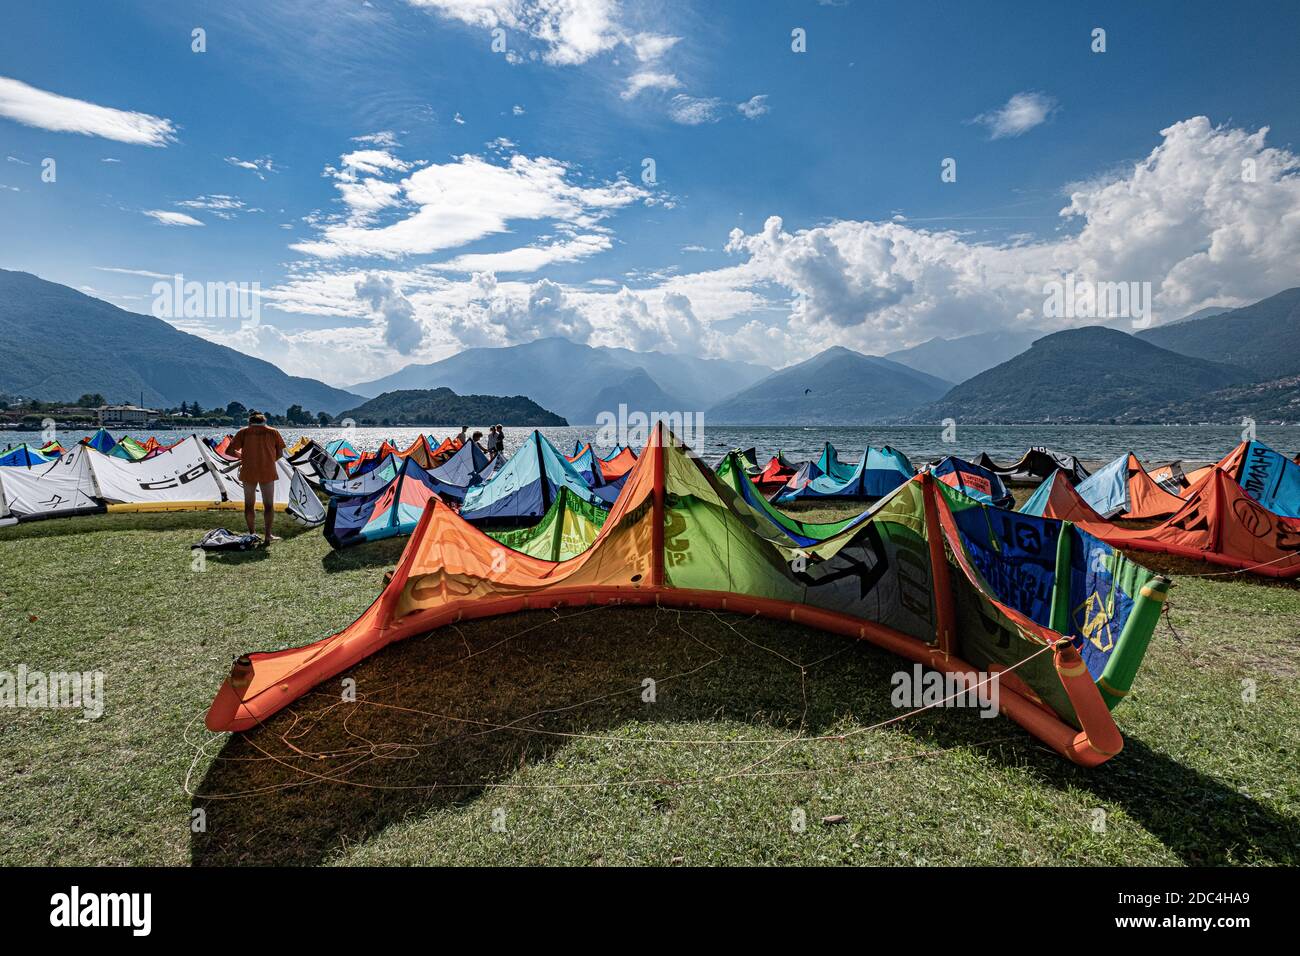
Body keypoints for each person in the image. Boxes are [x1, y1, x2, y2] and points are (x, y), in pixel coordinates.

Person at [227, 410, 286, 548]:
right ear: (264, 421)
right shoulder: (273, 432)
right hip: (267, 470)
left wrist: (241, 457)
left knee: (249, 505)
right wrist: (270, 460)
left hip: (248, 471)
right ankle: (268, 536)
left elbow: (229, 451)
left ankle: (252, 534)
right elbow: (280, 453)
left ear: (250, 421)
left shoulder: (243, 432)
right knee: (269, 505)